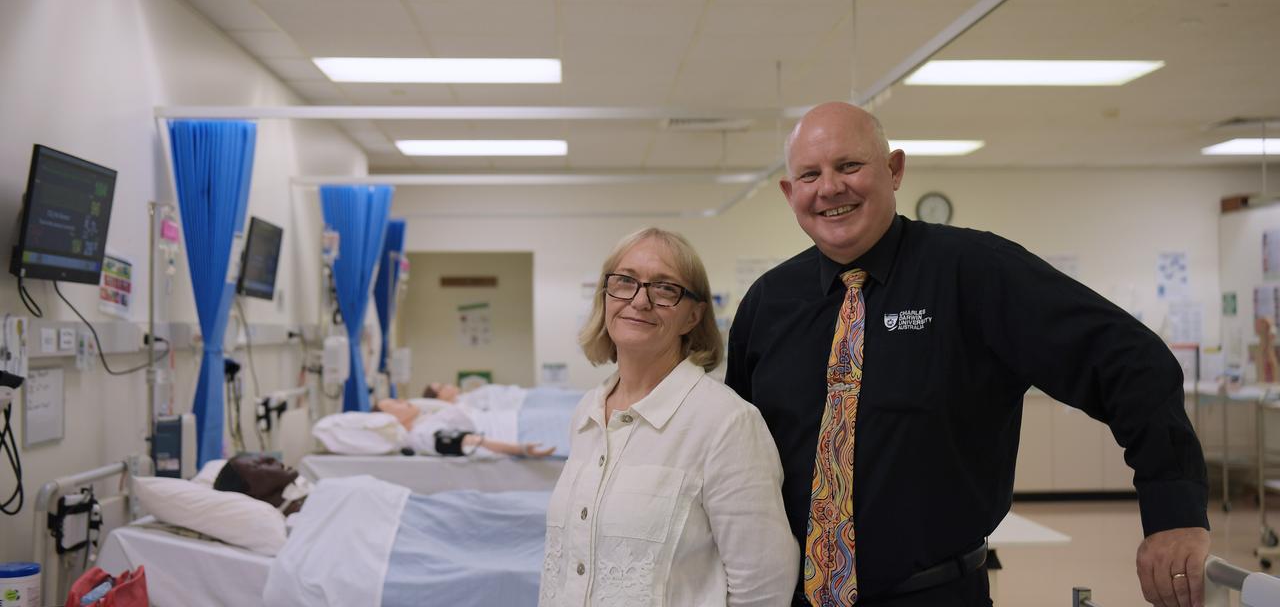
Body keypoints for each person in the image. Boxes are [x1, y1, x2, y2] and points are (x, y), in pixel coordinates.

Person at [726, 102, 1210, 607]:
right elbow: (734, 457)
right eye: (810, 174)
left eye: (849, 166)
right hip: (790, 597)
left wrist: (1173, 510)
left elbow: (1130, 362)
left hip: (935, 594)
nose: (830, 188)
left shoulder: (974, 272)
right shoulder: (768, 304)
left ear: (894, 171)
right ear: (789, 192)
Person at [539, 228, 798, 606]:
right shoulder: (588, 413)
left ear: (693, 315)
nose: (639, 301)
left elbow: (765, 586)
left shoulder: (726, 422)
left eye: (664, 289)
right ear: (606, 296)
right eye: (625, 281)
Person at [375, 397, 555, 458]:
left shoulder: (422, 421)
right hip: (514, 432)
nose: (403, 401)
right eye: (394, 403)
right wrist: (520, 449)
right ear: (390, 418)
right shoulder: (420, 435)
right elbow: (470, 442)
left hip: (514, 419)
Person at [213, 453, 311, 515]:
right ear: (251, 492)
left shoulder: (307, 494)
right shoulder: (292, 522)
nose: (276, 461)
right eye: (258, 464)